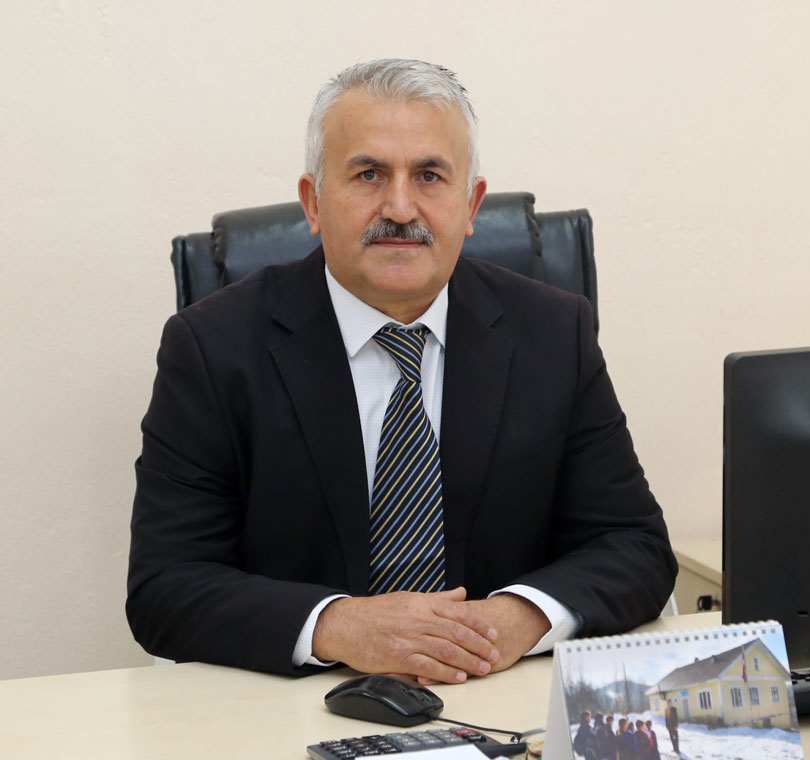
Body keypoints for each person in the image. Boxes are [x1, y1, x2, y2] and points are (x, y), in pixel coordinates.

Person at [126, 58, 676, 681]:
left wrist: (514, 618)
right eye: (368, 174)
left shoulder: (554, 332)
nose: (400, 207)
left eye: (430, 176)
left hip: (497, 694)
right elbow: (165, 585)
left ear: (471, 204)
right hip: (301, 703)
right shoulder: (211, 347)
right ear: (313, 202)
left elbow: (634, 546)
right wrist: (338, 626)